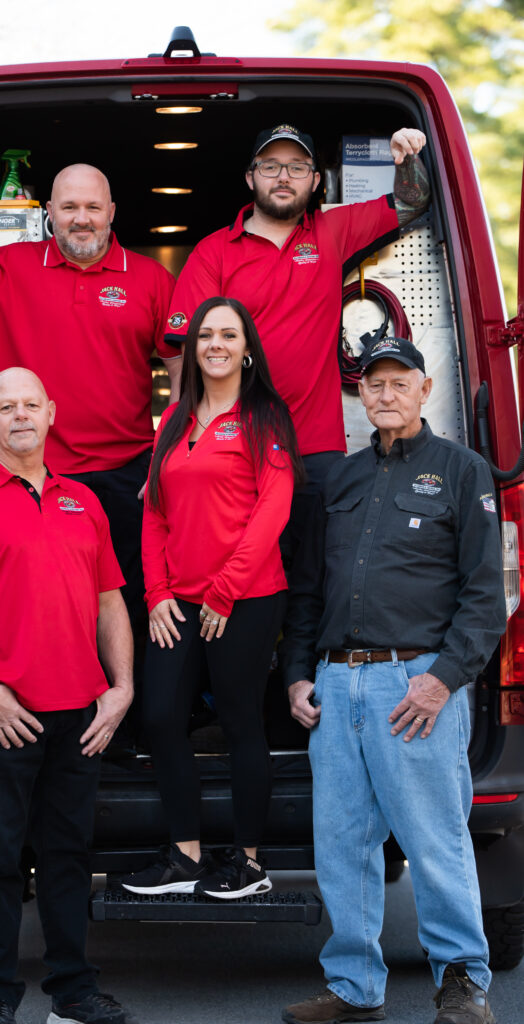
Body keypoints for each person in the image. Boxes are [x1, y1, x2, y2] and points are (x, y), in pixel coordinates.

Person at [284, 338, 505, 1024]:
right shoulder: (341, 482)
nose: (385, 394)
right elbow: (310, 593)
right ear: (362, 394)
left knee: (435, 837)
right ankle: (354, 987)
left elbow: (485, 595)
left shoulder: (463, 472)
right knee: (343, 843)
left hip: (414, 689)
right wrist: (297, 676)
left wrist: (441, 680)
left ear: (424, 387)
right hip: (337, 686)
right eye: (373, 383)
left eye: (398, 382)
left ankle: (462, 984)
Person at [164, 122, 430, 681]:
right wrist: (169, 448)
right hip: (239, 456)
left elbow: (413, 201)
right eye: (270, 166)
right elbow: (182, 357)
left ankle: (302, 695)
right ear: (250, 177)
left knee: (317, 585)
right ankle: (232, 702)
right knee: (238, 584)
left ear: (315, 181)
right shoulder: (214, 252)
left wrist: (407, 159)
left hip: (316, 454)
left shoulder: (330, 232)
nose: (283, 178)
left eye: (296, 168)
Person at [0, 367, 137, 1024]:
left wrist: (121, 689)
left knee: (69, 855)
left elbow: (110, 603)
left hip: (81, 715)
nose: (19, 416)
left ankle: (73, 993)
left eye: (30, 405)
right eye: (5, 406)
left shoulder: (83, 501)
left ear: (51, 413)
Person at [0, 149, 181, 652]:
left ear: (112, 212)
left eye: (91, 207)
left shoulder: (150, 279)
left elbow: (181, 371)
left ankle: (129, 720)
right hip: (33, 474)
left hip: (126, 474)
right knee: (45, 604)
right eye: (67, 207)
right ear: (49, 213)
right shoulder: (10, 266)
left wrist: (168, 458)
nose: (80, 219)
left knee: (126, 604)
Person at [121, 297, 302, 900]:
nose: (216, 344)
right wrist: (155, 593)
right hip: (177, 602)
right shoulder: (174, 420)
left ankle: (249, 862)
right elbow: (154, 514)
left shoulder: (266, 416)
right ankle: (186, 855)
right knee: (161, 717)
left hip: (245, 600)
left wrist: (224, 592)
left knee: (239, 721)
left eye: (229, 334)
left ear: (247, 349)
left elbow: (271, 513)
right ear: (192, 349)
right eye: (205, 335)